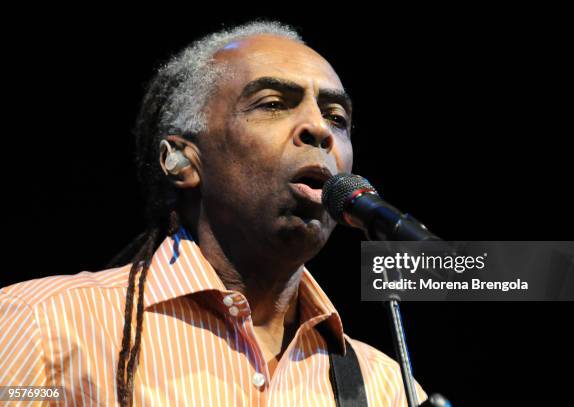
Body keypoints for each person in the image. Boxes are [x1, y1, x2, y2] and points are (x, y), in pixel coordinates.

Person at [0, 21, 426, 406]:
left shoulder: (387, 387)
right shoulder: (43, 327)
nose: (319, 129)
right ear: (182, 162)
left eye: (337, 117)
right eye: (273, 103)